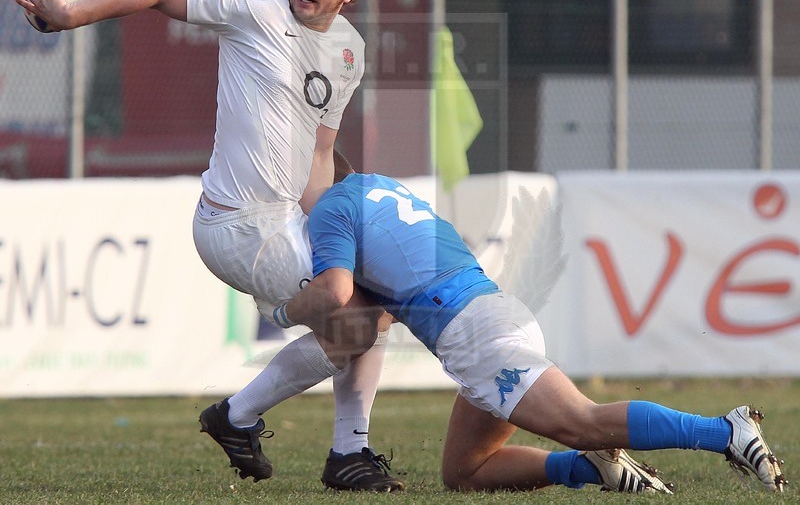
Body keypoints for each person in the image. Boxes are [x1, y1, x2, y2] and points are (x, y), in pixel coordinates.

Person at [16, 0, 403, 492]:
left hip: (286, 219)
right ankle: (245, 417)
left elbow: (321, 152)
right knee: (355, 315)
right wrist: (71, 15)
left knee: (378, 297)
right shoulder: (251, 8)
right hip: (235, 224)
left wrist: (333, 228)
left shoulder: (349, 49)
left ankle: (348, 450)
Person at [265, 166, 788, 494]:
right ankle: (593, 470)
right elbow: (374, 308)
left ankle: (725, 431)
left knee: (581, 420)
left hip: (479, 339)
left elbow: (332, 294)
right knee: (464, 473)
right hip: (496, 316)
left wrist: (283, 311)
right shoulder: (384, 196)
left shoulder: (333, 208)